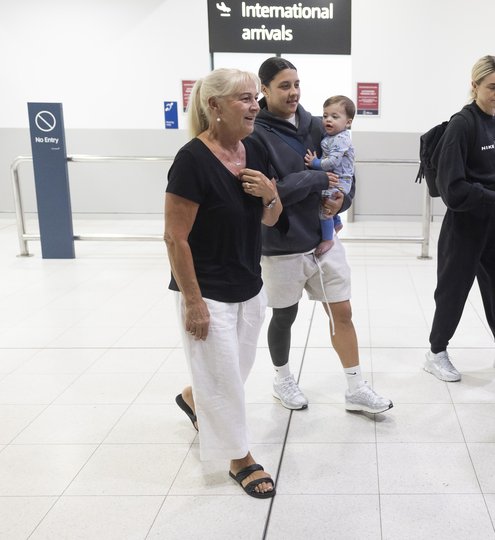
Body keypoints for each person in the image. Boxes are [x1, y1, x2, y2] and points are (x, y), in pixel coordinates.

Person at [250, 57, 393, 414]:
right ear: (263, 89)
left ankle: (356, 387)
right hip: (281, 245)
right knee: (284, 316)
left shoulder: (317, 126)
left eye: (297, 84)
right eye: (284, 86)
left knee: (342, 312)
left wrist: (343, 200)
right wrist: (314, 179)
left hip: (323, 240)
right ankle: (282, 378)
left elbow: (345, 174)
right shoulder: (255, 136)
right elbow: (268, 191)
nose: (294, 92)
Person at [165, 68, 283, 499]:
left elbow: (272, 217)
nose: (255, 106)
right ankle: (240, 457)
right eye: (243, 99)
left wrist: (270, 193)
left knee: (236, 370)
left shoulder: (255, 149)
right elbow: (174, 237)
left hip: (249, 284)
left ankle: (193, 397)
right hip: (207, 290)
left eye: (255, 98)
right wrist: (192, 302)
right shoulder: (192, 160)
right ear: (213, 106)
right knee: (225, 379)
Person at [424, 55, 495, 383]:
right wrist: (492, 196)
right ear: (474, 86)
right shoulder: (462, 124)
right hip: (464, 223)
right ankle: (436, 352)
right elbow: (452, 187)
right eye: (492, 87)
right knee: (453, 290)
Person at [304, 95, 356, 257]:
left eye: (335, 117)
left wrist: (315, 163)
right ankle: (337, 222)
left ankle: (328, 239)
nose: (328, 120)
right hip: (336, 178)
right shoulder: (333, 136)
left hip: (339, 181)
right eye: (325, 115)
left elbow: (332, 162)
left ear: (348, 122)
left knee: (325, 209)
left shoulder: (341, 139)